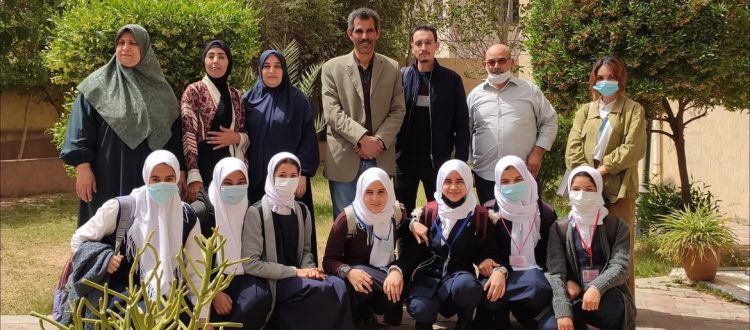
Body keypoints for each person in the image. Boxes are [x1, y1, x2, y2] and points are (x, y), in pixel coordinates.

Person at [61, 24, 185, 227]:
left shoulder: (162, 90)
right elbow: (81, 128)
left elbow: (174, 134)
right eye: (121, 43)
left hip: (150, 177)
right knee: (105, 226)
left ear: (144, 49)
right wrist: (83, 168)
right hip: (106, 175)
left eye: (132, 43)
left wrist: (180, 170)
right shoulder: (95, 86)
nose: (125, 48)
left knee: (147, 229)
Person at [69, 150, 206, 323]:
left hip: (172, 299)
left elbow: (196, 269)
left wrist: (202, 317)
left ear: (177, 179)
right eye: (155, 179)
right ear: (146, 177)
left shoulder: (187, 216)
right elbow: (78, 239)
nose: (162, 185)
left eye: (169, 179)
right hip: (121, 301)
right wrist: (104, 258)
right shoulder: (122, 208)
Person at [241, 152, 353, 330]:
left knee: (338, 285)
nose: (288, 180)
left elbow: (307, 251)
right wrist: (296, 272)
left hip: (300, 275)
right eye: (282, 176)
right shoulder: (257, 213)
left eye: (294, 176)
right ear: (271, 176)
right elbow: (251, 263)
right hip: (276, 280)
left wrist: (309, 270)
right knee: (317, 290)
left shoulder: (302, 211)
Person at [565, 56, 646, 294]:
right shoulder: (585, 111)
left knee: (621, 248)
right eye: (600, 78)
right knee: (588, 245)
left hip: (618, 189)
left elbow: (633, 149)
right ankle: (588, 300)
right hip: (585, 190)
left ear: (621, 79)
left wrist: (600, 171)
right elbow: (573, 149)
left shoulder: (633, 110)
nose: (605, 82)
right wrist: (586, 179)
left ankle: (624, 303)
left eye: (611, 77)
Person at [396, 159, 502, 330]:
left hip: (459, 275)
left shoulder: (479, 215)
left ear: (469, 182)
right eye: (448, 181)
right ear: (439, 182)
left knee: (469, 288)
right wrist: (397, 270)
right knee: (420, 308)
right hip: (429, 276)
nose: (453, 187)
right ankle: (424, 321)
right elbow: (412, 252)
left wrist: (487, 260)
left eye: (460, 181)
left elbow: (487, 249)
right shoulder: (428, 212)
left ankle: (465, 319)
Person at [321, 7, 406, 218]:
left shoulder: (392, 67)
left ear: (378, 33)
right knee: (345, 222)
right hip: (345, 157)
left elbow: (398, 110)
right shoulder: (332, 68)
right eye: (359, 31)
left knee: (380, 219)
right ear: (350, 34)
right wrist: (360, 138)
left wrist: (377, 141)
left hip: (380, 154)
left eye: (370, 31)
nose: (364, 36)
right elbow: (332, 112)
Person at [244, 50, 320, 259]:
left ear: (284, 70)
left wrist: (303, 172)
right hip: (258, 177)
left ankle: (301, 269)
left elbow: (308, 138)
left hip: (291, 179)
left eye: (277, 66)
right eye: (267, 66)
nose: (272, 71)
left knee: (294, 224)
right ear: (259, 69)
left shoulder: (298, 101)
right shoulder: (248, 100)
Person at [539, 166, 635, 330]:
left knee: (613, 309)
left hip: (606, 295)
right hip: (573, 295)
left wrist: (597, 287)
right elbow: (555, 272)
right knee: (551, 327)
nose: (582, 194)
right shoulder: (559, 228)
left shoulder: (617, 226)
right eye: (576, 189)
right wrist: (563, 312)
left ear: (598, 190)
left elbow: (620, 267)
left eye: (589, 189)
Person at [467, 43, 557, 204]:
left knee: (527, 221)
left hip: (523, 173)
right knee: (492, 223)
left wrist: (538, 153)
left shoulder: (530, 91)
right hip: (486, 174)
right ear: (484, 65)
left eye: (501, 61)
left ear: (512, 62)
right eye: (491, 62)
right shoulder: (475, 95)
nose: (496, 66)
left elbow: (549, 121)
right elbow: (465, 131)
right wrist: (467, 166)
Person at [474, 156, 557, 329]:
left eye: (518, 179)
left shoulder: (545, 212)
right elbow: (485, 249)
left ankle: (522, 312)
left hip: (534, 276)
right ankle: (499, 312)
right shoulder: (489, 210)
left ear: (528, 178)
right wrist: (497, 268)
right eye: (505, 181)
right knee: (486, 291)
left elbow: (552, 255)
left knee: (537, 286)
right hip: (499, 272)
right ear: (497, 183)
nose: (512, 186)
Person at [395, 24, 470, 213]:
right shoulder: (401, 78)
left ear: (437, 45)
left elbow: (462, 125)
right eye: (418, 43)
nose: (423, 48)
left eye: (428, 43)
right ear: (412, 47)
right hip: (404, 161)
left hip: (438, 162)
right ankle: (404, 244)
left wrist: (460, 162)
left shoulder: (451, 80)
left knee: (441, 212)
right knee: (402, 213)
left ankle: (437, 244)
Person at [322, 167, 409, 326]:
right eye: (369, 192)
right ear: (360, 192)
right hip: (356, 278)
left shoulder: (396, 213)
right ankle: (363, 314)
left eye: (381, 192)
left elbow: (408, 230)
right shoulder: (347, 219)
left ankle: (376, 311)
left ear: (389, 191)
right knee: (360, 292)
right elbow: (329, 260)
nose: (375, 198)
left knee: (394, 308)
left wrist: (414, 224)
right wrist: (349, 272)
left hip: (386, 271)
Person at [206, 157, 271, 329]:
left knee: (258, 299)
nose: (235, 188)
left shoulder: (250, 208)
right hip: (210, 277)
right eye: (227, 182)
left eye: (241, 182)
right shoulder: (203, 211)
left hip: (244, 272)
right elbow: (190, 259)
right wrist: (212, 292)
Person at [181, 40, 248, 203]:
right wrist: (194, 175)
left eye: (221, 56)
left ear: (229, 62)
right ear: (204, 60)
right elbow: (188, 134)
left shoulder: (236, 95)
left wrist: (237, 138)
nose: (215, 61)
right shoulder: (193, 91)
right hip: (204, 167)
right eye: (211, 56)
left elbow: (244, 129)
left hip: (232, 169)